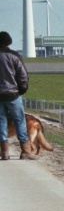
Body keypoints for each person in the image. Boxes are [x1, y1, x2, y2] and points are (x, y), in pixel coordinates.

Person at [0, 31, 36, 160]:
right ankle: (25, 151)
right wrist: (22, 90)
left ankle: (4, 152)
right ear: (9, 42)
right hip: (13, 95)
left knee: (1, 122)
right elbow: (23, 75)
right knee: (19, 121)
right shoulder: (14, 56)